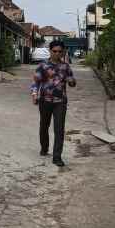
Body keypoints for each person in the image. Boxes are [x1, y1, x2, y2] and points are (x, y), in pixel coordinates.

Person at [31, 39, 76, 167]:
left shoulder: (66, 67)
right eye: (54, 51)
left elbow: (72, 82)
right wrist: (34, 94)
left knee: (59, 129)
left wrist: (71, 81)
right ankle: (44, 148)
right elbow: (36, 82)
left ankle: (57, 157)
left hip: (60, 102)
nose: (57, 53)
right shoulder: (43, 66)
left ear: (63, 52)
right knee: (44, 126)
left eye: (59, 51)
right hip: (45, 100)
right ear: (50, 51)